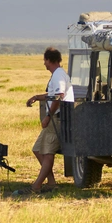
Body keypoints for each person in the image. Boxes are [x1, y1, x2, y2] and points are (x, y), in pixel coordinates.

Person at [15, 47, 74, 194]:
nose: (44, 64)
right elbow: (53, 94)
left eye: (45, 61)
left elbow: (59, 95)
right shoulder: (59, 74)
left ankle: (37, 186)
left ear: (49, 60)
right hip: (56, 117)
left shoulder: (58, 75)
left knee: (47, 153)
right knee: (37, 149)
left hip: (56, 119)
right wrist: (37, 97)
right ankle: (51, 182)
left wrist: (48, 116)